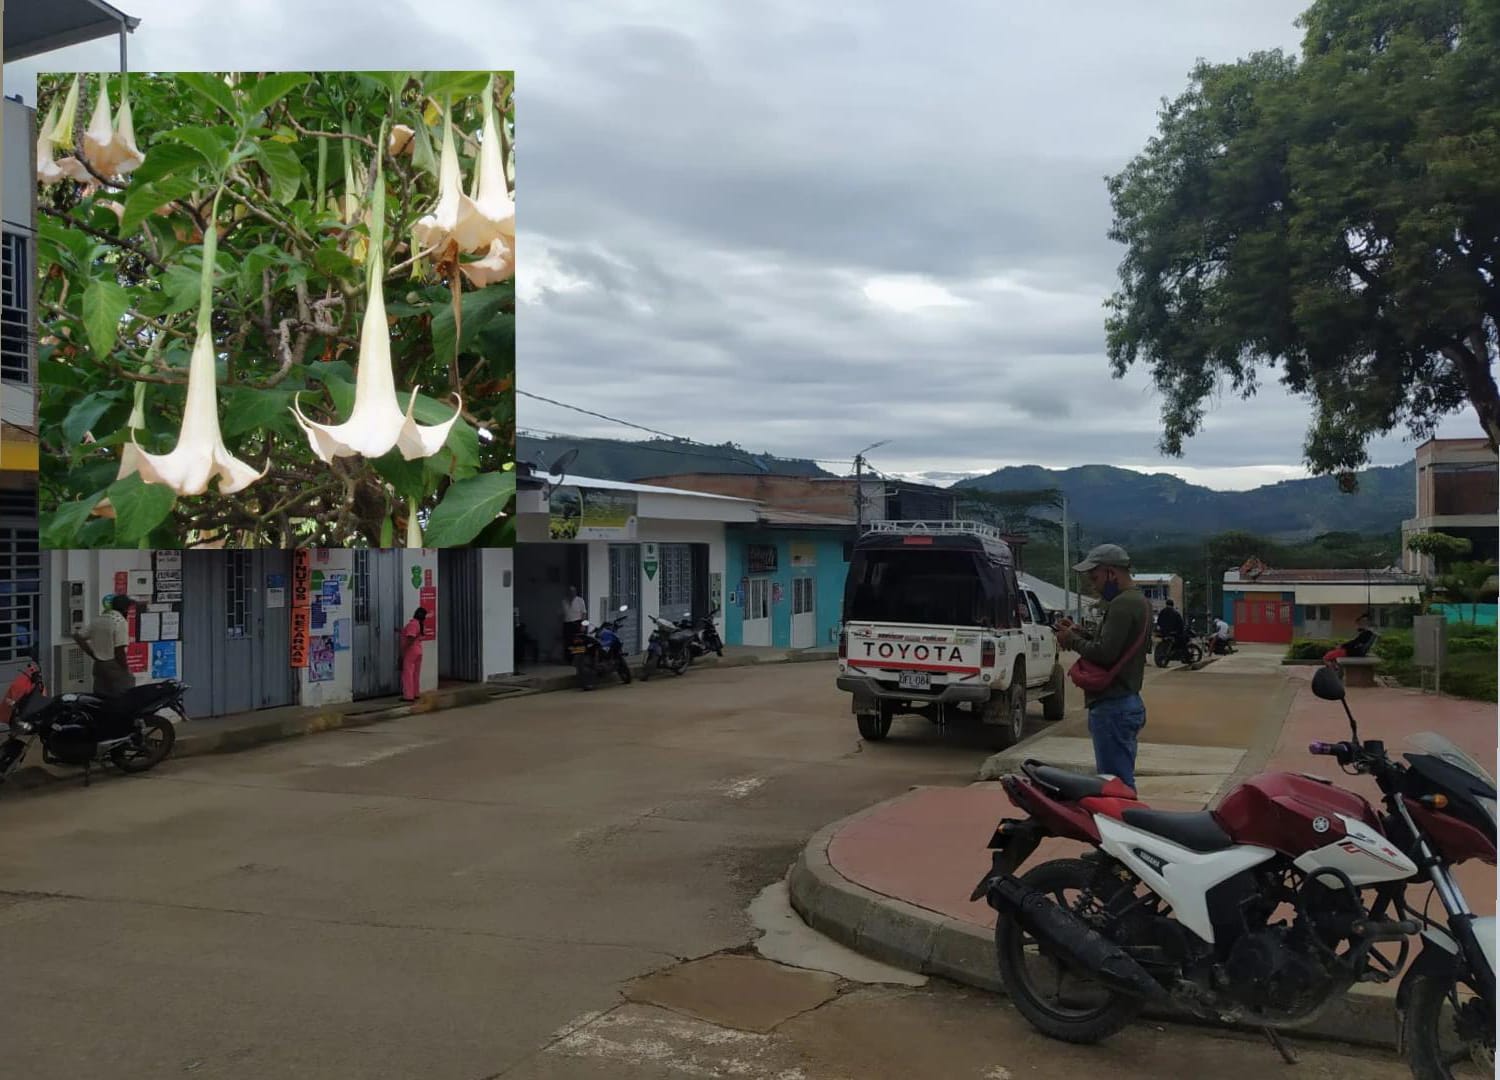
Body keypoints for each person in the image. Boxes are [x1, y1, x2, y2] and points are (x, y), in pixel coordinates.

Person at [1053, 544, 1152, 789]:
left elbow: (1105, 654)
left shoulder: (1122, 604)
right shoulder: (1137, 600)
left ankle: (1121, 826)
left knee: (1115, 786)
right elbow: (1113, 644)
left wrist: (1071, 640)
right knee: (1120, 780)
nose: (1093, 585)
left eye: (1094, 577)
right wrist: (1079, 632)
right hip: (1125, 702)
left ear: (1111, 574)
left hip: (1113, 707)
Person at [73, 594, 133, 697]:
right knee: (124, 696)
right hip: (114, 665)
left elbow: (78, 636)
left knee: (100, 696)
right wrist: (125, 668)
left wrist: (92, 653)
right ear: (125, 609)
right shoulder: (120, 622)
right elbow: (119, 650)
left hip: (99, 664)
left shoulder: (99, 619)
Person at [400, 606, 427, 702]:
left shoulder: (413, 624)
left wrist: (404, 648)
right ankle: (416, 693)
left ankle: (408, 696)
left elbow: (410, 638)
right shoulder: (420, 624)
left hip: (411, 651)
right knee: (416, 673)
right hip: (418, 651)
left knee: (408, 674)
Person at [561, 586, 588, 654]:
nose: (572, 593)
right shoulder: (564, 601)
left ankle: (577, 658)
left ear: (575, 592)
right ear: (568, 592)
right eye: (570, 591)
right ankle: (569, 658)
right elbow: (562, 614)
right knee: (568, 642)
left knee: (578, 642)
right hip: (567, 624)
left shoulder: (580, 600)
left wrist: (583, 625)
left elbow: (584, 614)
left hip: (577, 623)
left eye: (573, 591)